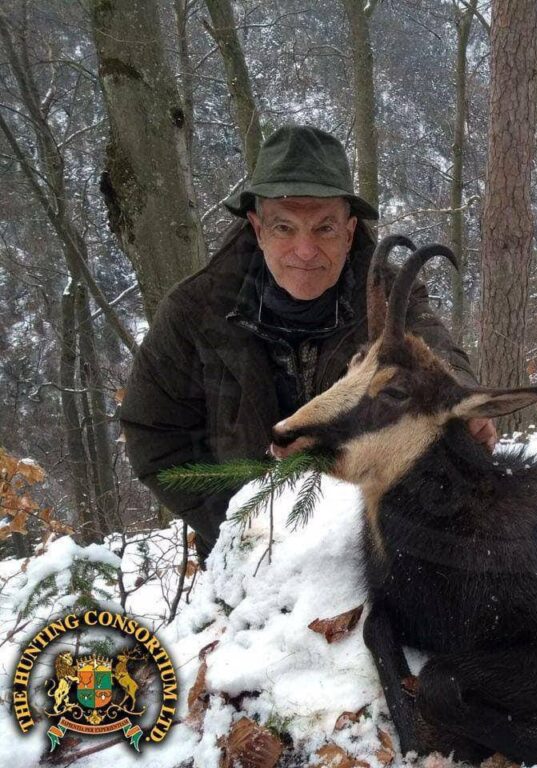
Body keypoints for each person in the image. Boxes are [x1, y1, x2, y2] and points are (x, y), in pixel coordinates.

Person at [120, 125, 494, 564]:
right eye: (284, 227)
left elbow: (430, 348)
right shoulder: (193, 312)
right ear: (257, 228)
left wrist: (458, 401)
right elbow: (153, 435)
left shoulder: (387, 298)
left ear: (349, 231)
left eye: (324, 228)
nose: (305, 249)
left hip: (359, 549)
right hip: (244, 560)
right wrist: (245, 524)